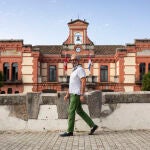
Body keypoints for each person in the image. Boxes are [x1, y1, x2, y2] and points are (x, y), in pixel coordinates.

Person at [60, 54, 98, 137]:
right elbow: (71, 85)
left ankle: (69, 131)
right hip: (73, 93)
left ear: (78, 60)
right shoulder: (74, 71)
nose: (73, 61)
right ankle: (93, 126)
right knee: (79, 111)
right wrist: (67, 94)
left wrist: (82, 94)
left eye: (75, 60)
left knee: (71, 111)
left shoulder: (80, 69)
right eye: (72, 60)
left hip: (76, 94)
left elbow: (84, 82)